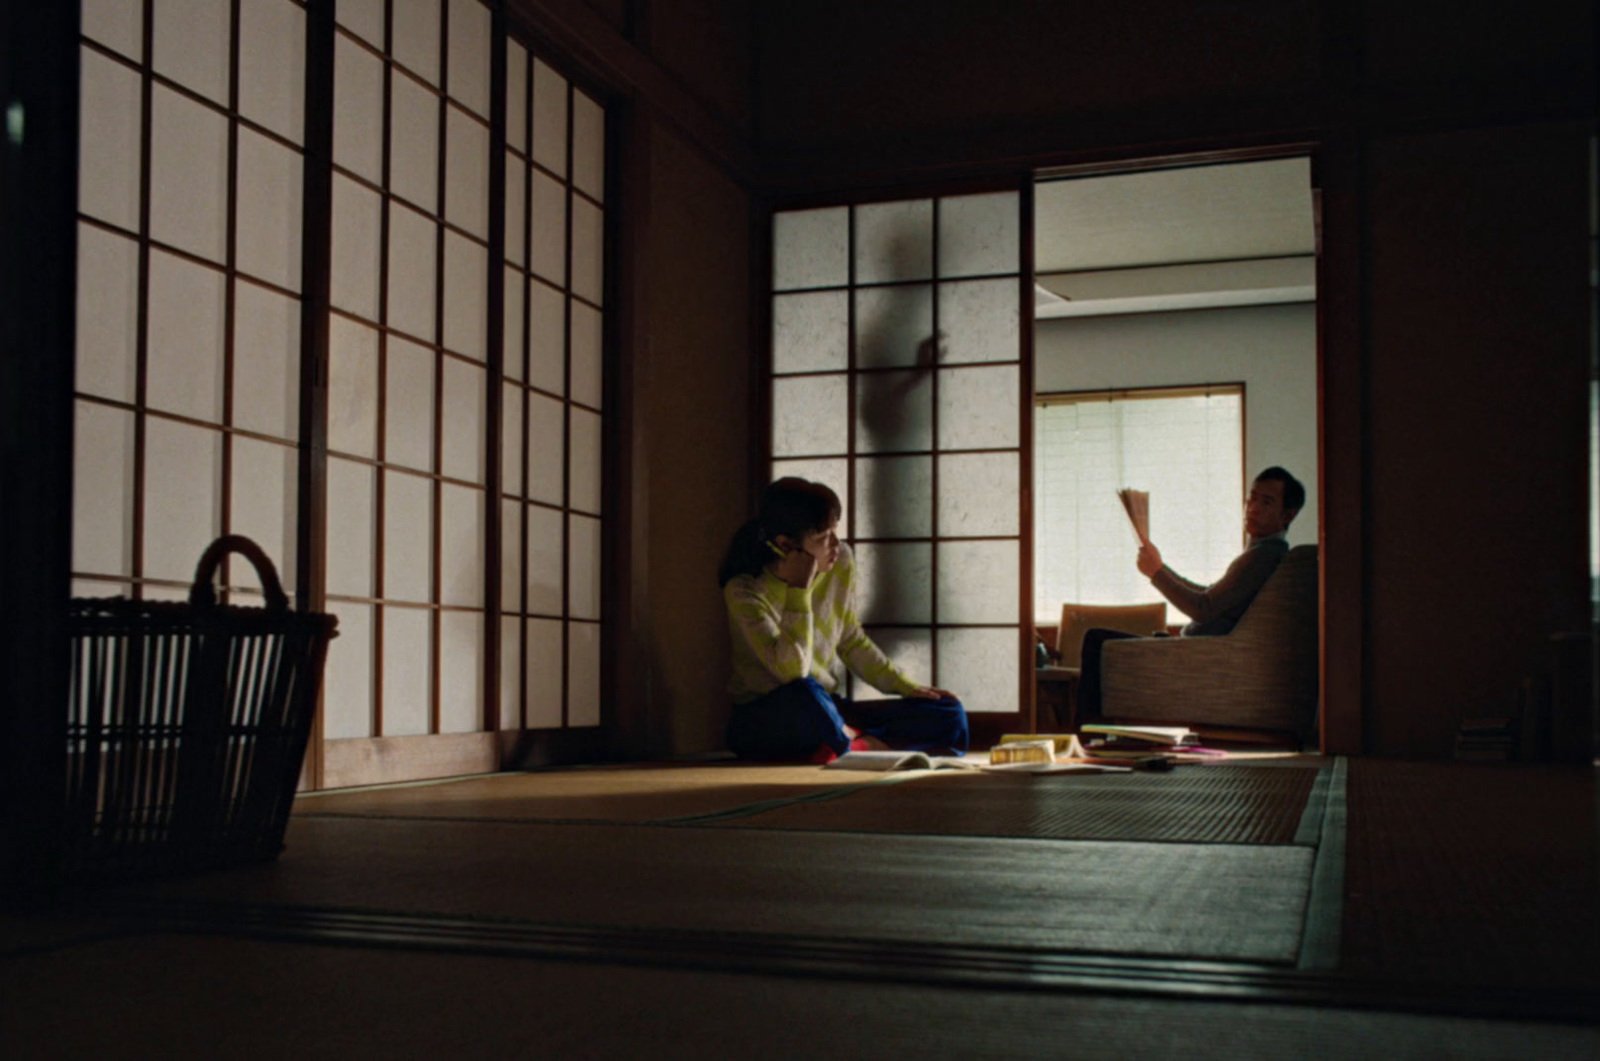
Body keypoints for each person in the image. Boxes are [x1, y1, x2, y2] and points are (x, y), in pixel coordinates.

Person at [719, 477, 969, 762]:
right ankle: (851, 742)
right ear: (786, 545)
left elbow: (850, 639)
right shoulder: (744, 590)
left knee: (948, 712)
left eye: (835, 531)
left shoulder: (841, 562)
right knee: (805, 692)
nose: (836, 544)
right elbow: (791, 672)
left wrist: (906, 687)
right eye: (824, 537)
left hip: (826, 707)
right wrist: (799, 590)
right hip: (770, 713)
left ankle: (851, 744)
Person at [1076, 466, 1306, 719]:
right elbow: (1208, 595)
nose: (1252, 507)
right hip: (1193, 650)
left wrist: (1156, 574)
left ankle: (1088, 736)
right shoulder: (1261, 553)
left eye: (1266, 502)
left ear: (1288, 515)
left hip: (1196, 655)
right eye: (1251, 497)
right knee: (1100, 639)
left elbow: (1202, 608)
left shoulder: (1264, 556)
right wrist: (1160, 568)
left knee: (1096, 640)